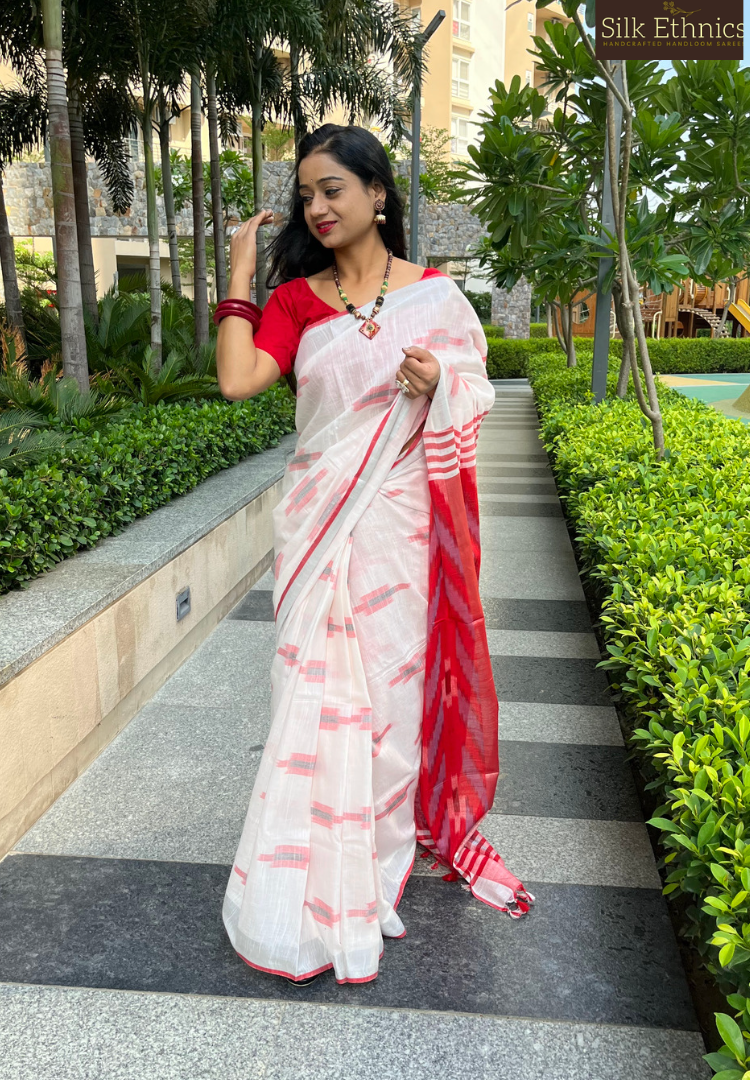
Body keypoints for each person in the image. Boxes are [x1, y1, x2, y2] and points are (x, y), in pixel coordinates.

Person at [215, 123, 534, 988]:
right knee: (307, 690)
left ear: (379, 194)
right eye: (306, 197)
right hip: (319, 523)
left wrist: (442, 385)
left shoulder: (436, 295)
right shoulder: (295, 302)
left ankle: (379, 848)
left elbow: (479, 394)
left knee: (390, 695)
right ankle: (307, 858)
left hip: (398, 528)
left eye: (333, 190)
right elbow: (239, 380)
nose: (316, 208)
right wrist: (244, 277)